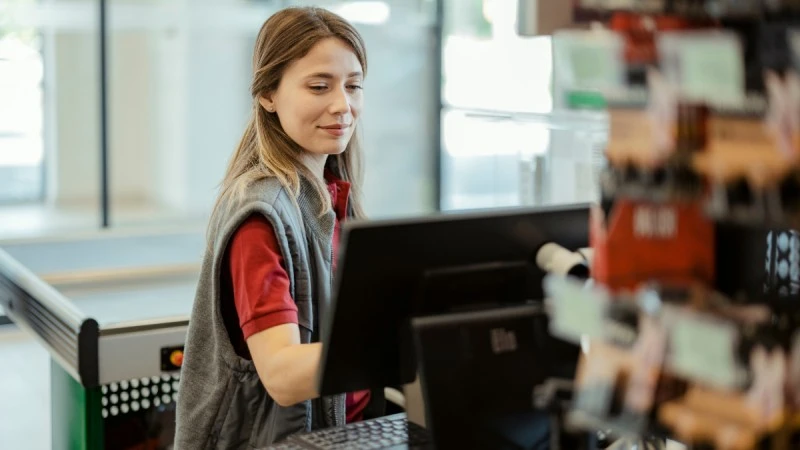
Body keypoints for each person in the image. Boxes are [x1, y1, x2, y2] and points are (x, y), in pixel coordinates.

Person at [174, 7, 383, 448]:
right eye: (319, 86)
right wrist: (408, 344)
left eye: (353, 86)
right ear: (268, 93)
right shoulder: (260, 217)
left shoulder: (331, 198)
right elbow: (285, 376)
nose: (342, 105)